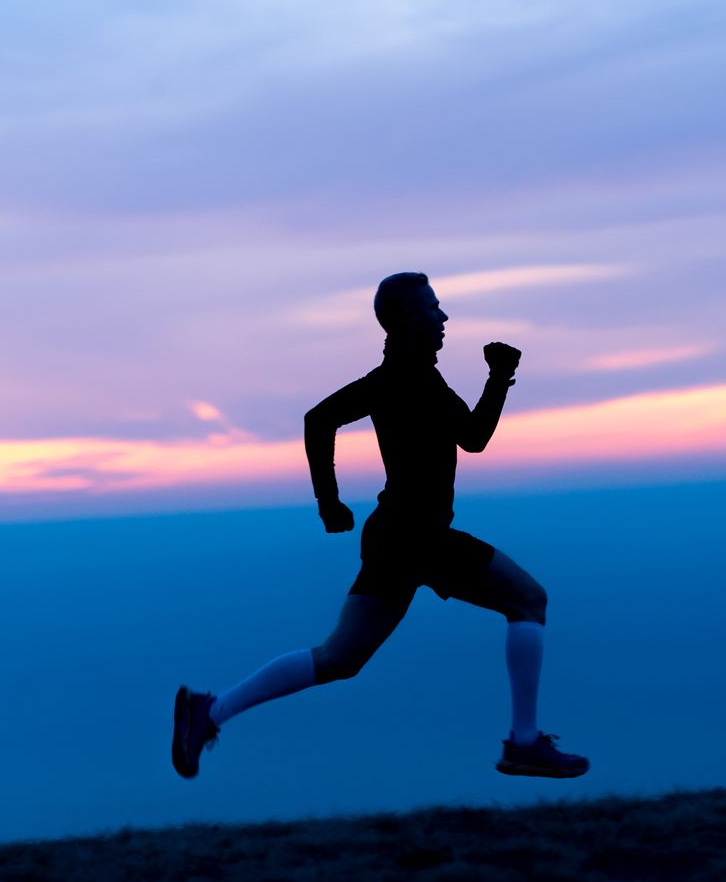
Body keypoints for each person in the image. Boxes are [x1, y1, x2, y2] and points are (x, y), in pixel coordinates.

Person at [171, 272, 588, 780]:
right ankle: (523, 744)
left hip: (396, 538)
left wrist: (498, 377)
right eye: (433, 308)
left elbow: (472, 437)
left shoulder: (420, 379)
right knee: (528, 599)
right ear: (408, 318)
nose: (444, 317)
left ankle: (209, 711)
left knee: (339, 658)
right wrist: (328, 501)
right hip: (418, 536)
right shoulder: (399, 379)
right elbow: (319, 420)